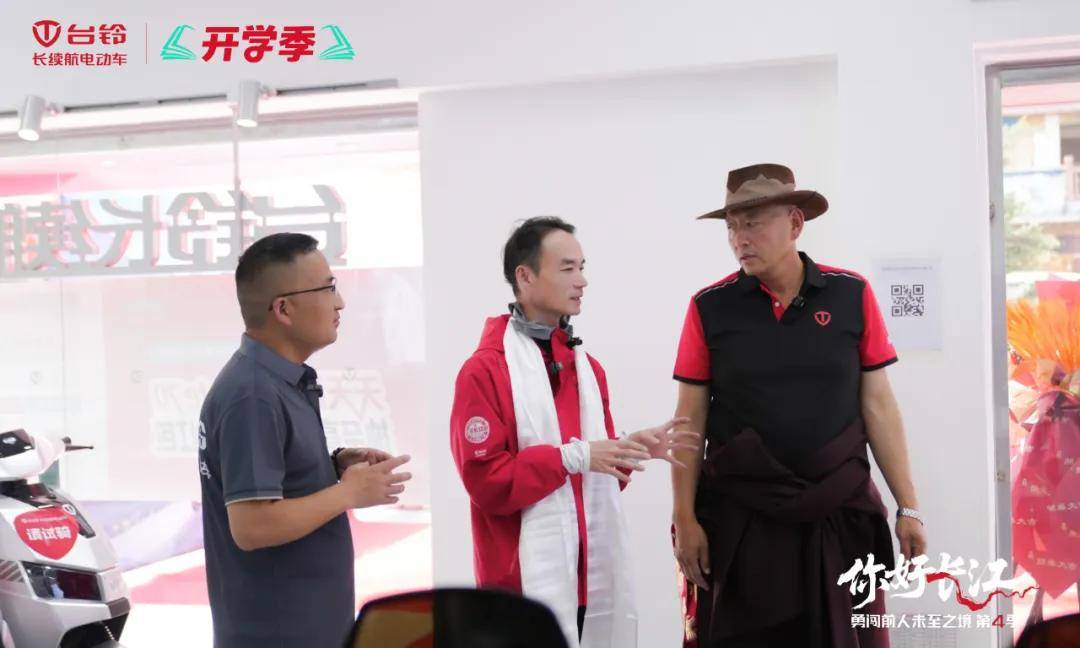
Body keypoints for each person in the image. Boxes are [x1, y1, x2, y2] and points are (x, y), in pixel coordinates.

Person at [670, 164, 927, 647]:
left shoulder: (851, 293)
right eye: (732, 227)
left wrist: (908, 505)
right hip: (744, 516)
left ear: (794, 223)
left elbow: (879, 406)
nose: (740, 239)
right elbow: (690, 420)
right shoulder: (710, 307)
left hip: (838, 507)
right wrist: (684, 518)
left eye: (753, 223)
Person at [449, 217, 695, 647]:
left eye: (582, 267)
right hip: (520, 586)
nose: (582, 281)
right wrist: (573, 457)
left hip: (590, 582)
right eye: (567, 268)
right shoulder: (484, 371)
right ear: (524, 276)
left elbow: (592, 484)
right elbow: (487, 483)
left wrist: (626, 451)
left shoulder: (586, 368)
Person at [198, 232, 412, 647]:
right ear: (284, 309)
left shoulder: (277, 382)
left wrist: (330, 466)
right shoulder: (253, 394)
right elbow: (252, 526)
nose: (340, 302)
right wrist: (348, 493)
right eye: (327, 288)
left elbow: (275, 481)